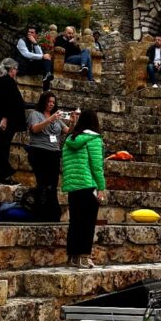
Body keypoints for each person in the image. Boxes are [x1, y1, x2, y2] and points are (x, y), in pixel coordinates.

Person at [61, 109, 106, 269]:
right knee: (87, 223)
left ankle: (72, 257)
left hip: (73, 187)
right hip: (88, 186)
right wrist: (101, 187)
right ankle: (83, 258)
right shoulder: (93, 138)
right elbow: (96, 166)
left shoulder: (70, 138)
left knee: (75, 222)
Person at [25, 90, 67, 221]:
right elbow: (35, 129)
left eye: (53, 102)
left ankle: (53, 212)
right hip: (39, 151)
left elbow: (67, 131)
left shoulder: (57, 117)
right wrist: (49, 120)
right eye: (49, 101)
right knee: (42, 182)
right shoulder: (35, 114)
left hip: (54, 152)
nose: (51, 104)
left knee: (53, 183)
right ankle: (41, 211)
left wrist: (73, 121)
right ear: (43, 101)